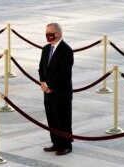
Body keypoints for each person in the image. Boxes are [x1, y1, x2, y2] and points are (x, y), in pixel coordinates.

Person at [38, 23, 74, 156]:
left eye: (50, 32)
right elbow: (41, 68)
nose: (47, 35)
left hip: (60, 92)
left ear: (58, 34)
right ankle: (56, 143)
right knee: (52, 118)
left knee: (63, 119)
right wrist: (43, 83)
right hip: (47, 91)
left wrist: (49, 86)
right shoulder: (46, 49)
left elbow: (63, 74)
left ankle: (66, 145)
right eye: (46, 32)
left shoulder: (66, 50)